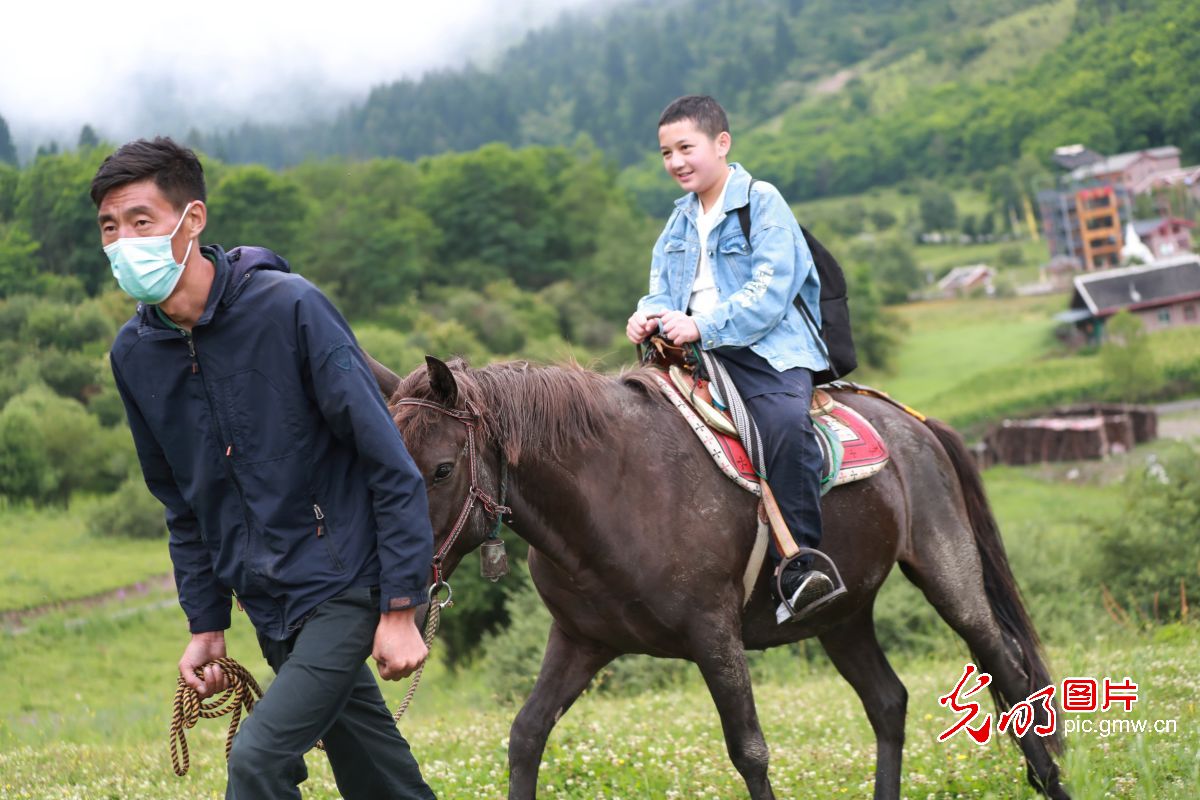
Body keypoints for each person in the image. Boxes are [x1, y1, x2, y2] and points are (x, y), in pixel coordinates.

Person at [93, 137, 437, 799]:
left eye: (141, 221)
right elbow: (182, 503)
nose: (123, 242)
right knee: (379, 776)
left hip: (345, 585)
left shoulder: (291, 308)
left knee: (257, 760)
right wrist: (206, 624)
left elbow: (389, 463)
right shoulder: (134, 354)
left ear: (192, 220)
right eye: (110, 227)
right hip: (267, 599)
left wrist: (400, 606)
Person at [626, 95, 835, 623]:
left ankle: (801, 566)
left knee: (785, 426)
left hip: (767, 351)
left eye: (686, 148)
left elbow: (770, 291)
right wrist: (645, 316)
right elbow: (660, 291)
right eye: (666, 152)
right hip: (691, 355)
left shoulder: (762, 202)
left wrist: (703, 324)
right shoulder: (677, 222)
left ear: (722, 144)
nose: (675, 162)